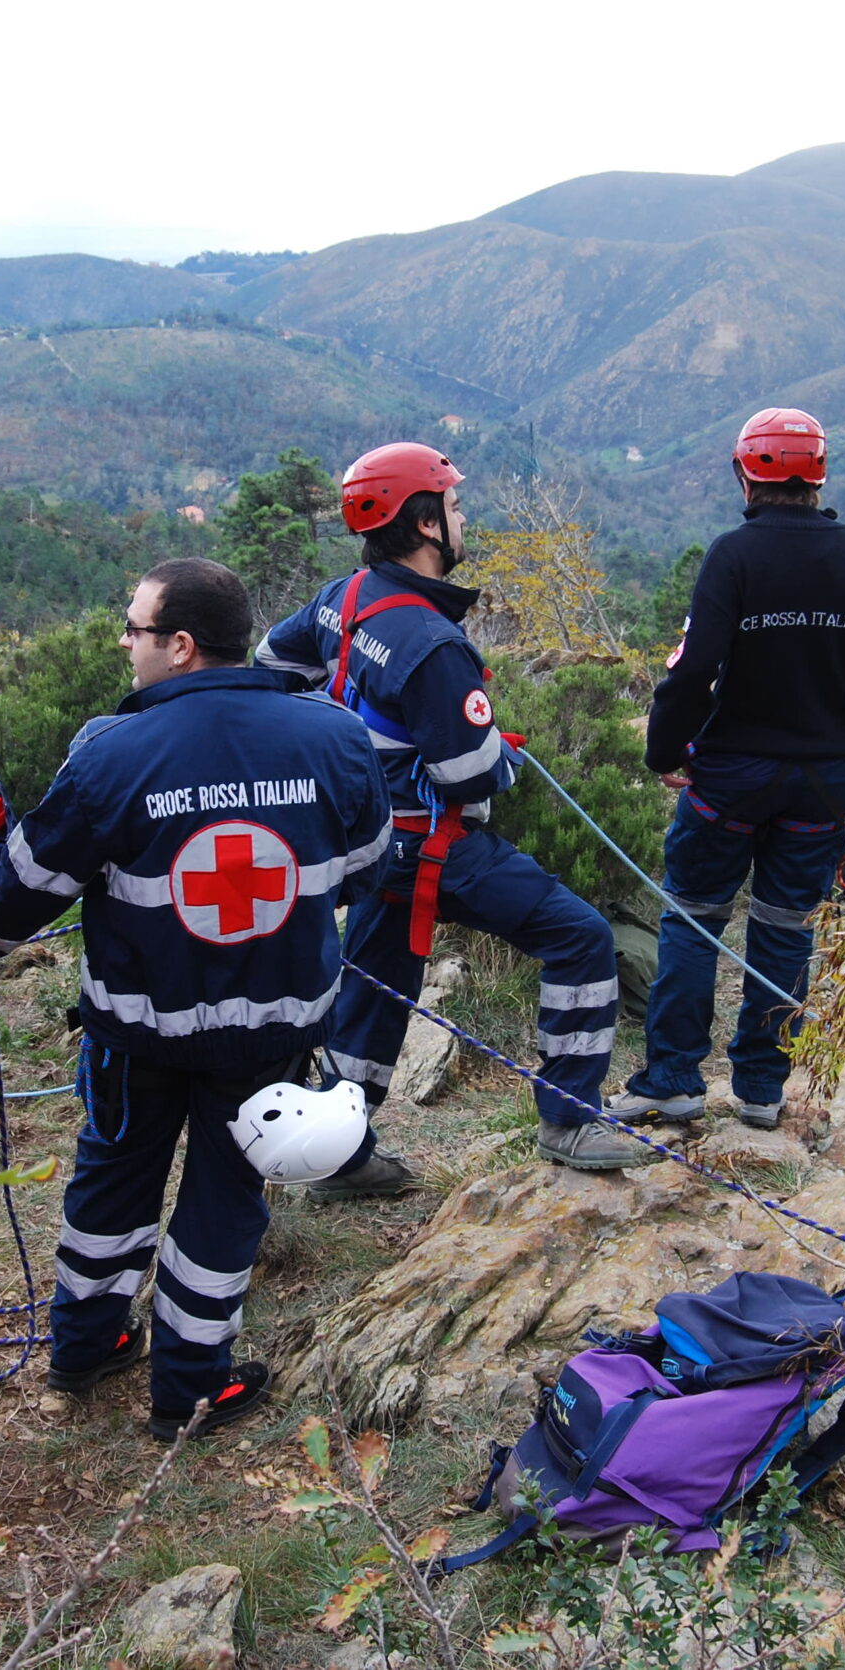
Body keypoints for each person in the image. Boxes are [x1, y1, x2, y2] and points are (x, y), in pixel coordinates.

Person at [0, 558, 389, 1440]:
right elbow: (373, 872)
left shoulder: (114, 751)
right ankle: (189, 1389)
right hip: (271, 1033)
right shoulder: (333, 738)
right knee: (227, 1202)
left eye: (134, 628)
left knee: (113, 1179)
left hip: (137, 1033)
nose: (123, 641)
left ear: (180, 646)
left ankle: (87, 1345)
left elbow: (26, 887)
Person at [258, 443, 646, 1179]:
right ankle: (569, 1120)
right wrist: (501, 752)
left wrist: (336, 752)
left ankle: (339, 1157)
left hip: (368, 848)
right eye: (456, 506)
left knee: (372, 997)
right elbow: (469, 776)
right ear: (426, 522)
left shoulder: (343, 599)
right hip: (434, 849)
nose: (465, 518)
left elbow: (274, 665)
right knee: (581, 938)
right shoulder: (433, 644)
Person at [625, 409, 845, 1130]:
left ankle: (673, 1080)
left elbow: (695, 670)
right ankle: (760, 1088)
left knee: (694, 918)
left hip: (731, 775)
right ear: (819, 475)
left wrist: (666, 751)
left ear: (744, 472)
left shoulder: (734, 556)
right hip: (822, 781)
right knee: (787, 927)